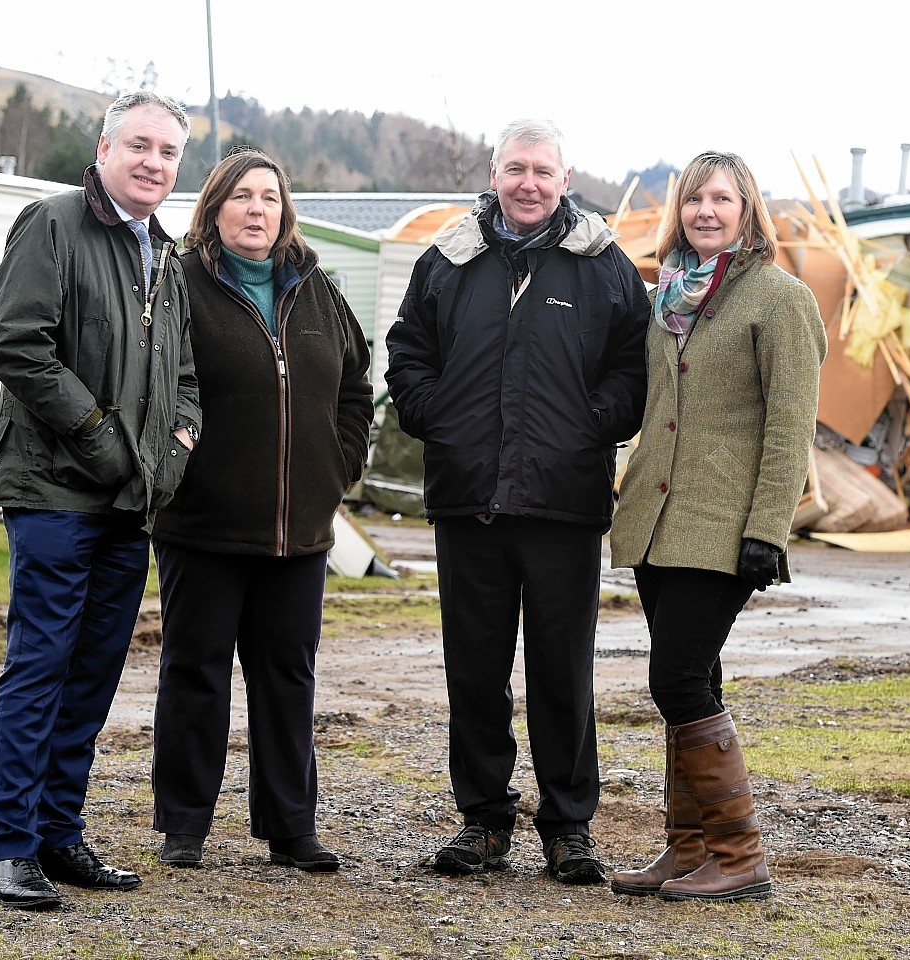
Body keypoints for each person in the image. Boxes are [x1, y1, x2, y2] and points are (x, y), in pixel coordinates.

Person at [384, 118, 647, 885]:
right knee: (474, 669)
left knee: (562, 673)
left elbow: (634, 369)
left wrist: (585, 428)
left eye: (543, 170)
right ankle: (483, 823)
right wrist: (442, 420)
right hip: (469, 501)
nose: (528, 183)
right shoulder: (449, 258)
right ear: (493, 174)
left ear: (566, 180)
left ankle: (568, 828)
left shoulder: (602, 266)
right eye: (515, 169)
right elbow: (407, 353)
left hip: (564, 503)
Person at [0, 90, 200, 910]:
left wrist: (171, 454)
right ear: (104, 149)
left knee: (96, 670)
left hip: (129, 501)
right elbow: (14, 342)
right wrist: (105, 442)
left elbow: (181, 379)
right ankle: (13, 847)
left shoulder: (163, 254)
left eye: (168, 152)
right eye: (139, 145)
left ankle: (60, 833)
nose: (153, 163)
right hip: (55, 493)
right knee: (42, 665)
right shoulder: (55, 222)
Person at [607, 151, 826, 902]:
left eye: (721, 198)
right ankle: (690, 847)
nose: (706, 210)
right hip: (657, 523)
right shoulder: (668, 295)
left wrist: (769, 526)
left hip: (724, 527)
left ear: (747, 208)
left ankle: (740, 855)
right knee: (695, 678)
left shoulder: (779, 298)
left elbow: (791, 425)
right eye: (694, 198)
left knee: (672, 678)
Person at [149, 148, 374, 872]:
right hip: (203, 525)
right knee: (197, 674)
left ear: (286, 212)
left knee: (287, 679)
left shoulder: (317, 290)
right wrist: (175, 472)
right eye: (242, 196)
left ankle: (290, 828)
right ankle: (184, 825)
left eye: (269, 198)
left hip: (301, 530)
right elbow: (156, 387)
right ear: (215, 207)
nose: (257, 209)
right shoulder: (181, 283)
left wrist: (340, 466)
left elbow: (355, 387)